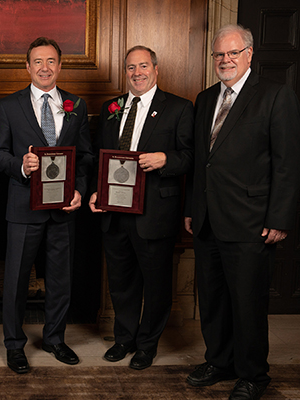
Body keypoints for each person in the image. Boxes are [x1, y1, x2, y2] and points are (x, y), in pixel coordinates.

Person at [184, 24, 300, 400]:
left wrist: (278, 219)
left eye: (233, 53)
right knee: (214, 299)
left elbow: (288, 164)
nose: (225, 60)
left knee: (248, 304)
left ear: (249, 54)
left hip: (251, 223)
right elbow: (201, 162)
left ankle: (253, 374)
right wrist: (192, 209)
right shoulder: (204, 99)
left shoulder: (275, 95)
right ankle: (219, 361)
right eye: (219, 54)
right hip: (207, 220)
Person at [0, 37, 93, 374]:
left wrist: (79, 190)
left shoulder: (76, 105)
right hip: (23, 208)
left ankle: (54, 338)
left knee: (61, 280)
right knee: (16, 280)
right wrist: (21, 166)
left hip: (63, 209)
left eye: (51, 61)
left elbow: (85, 156)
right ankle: (14, 345)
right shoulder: (9, 106)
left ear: (60, 66)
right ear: (28, 66)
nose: (45, 67)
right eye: (38, 61)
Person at [89, 46, 194, 370]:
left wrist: (166, 159)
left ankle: (147, 344)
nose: (137, 72)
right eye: (131, 67)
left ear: (156, 69)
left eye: (143, 66)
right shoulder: (111, 108)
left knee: (157, 283)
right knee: (121, 281)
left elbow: (192, 157)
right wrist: (96, 192)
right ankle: (124, 339)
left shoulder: (178, 108)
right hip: (115, 211)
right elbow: (100, 156)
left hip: (154, 214)